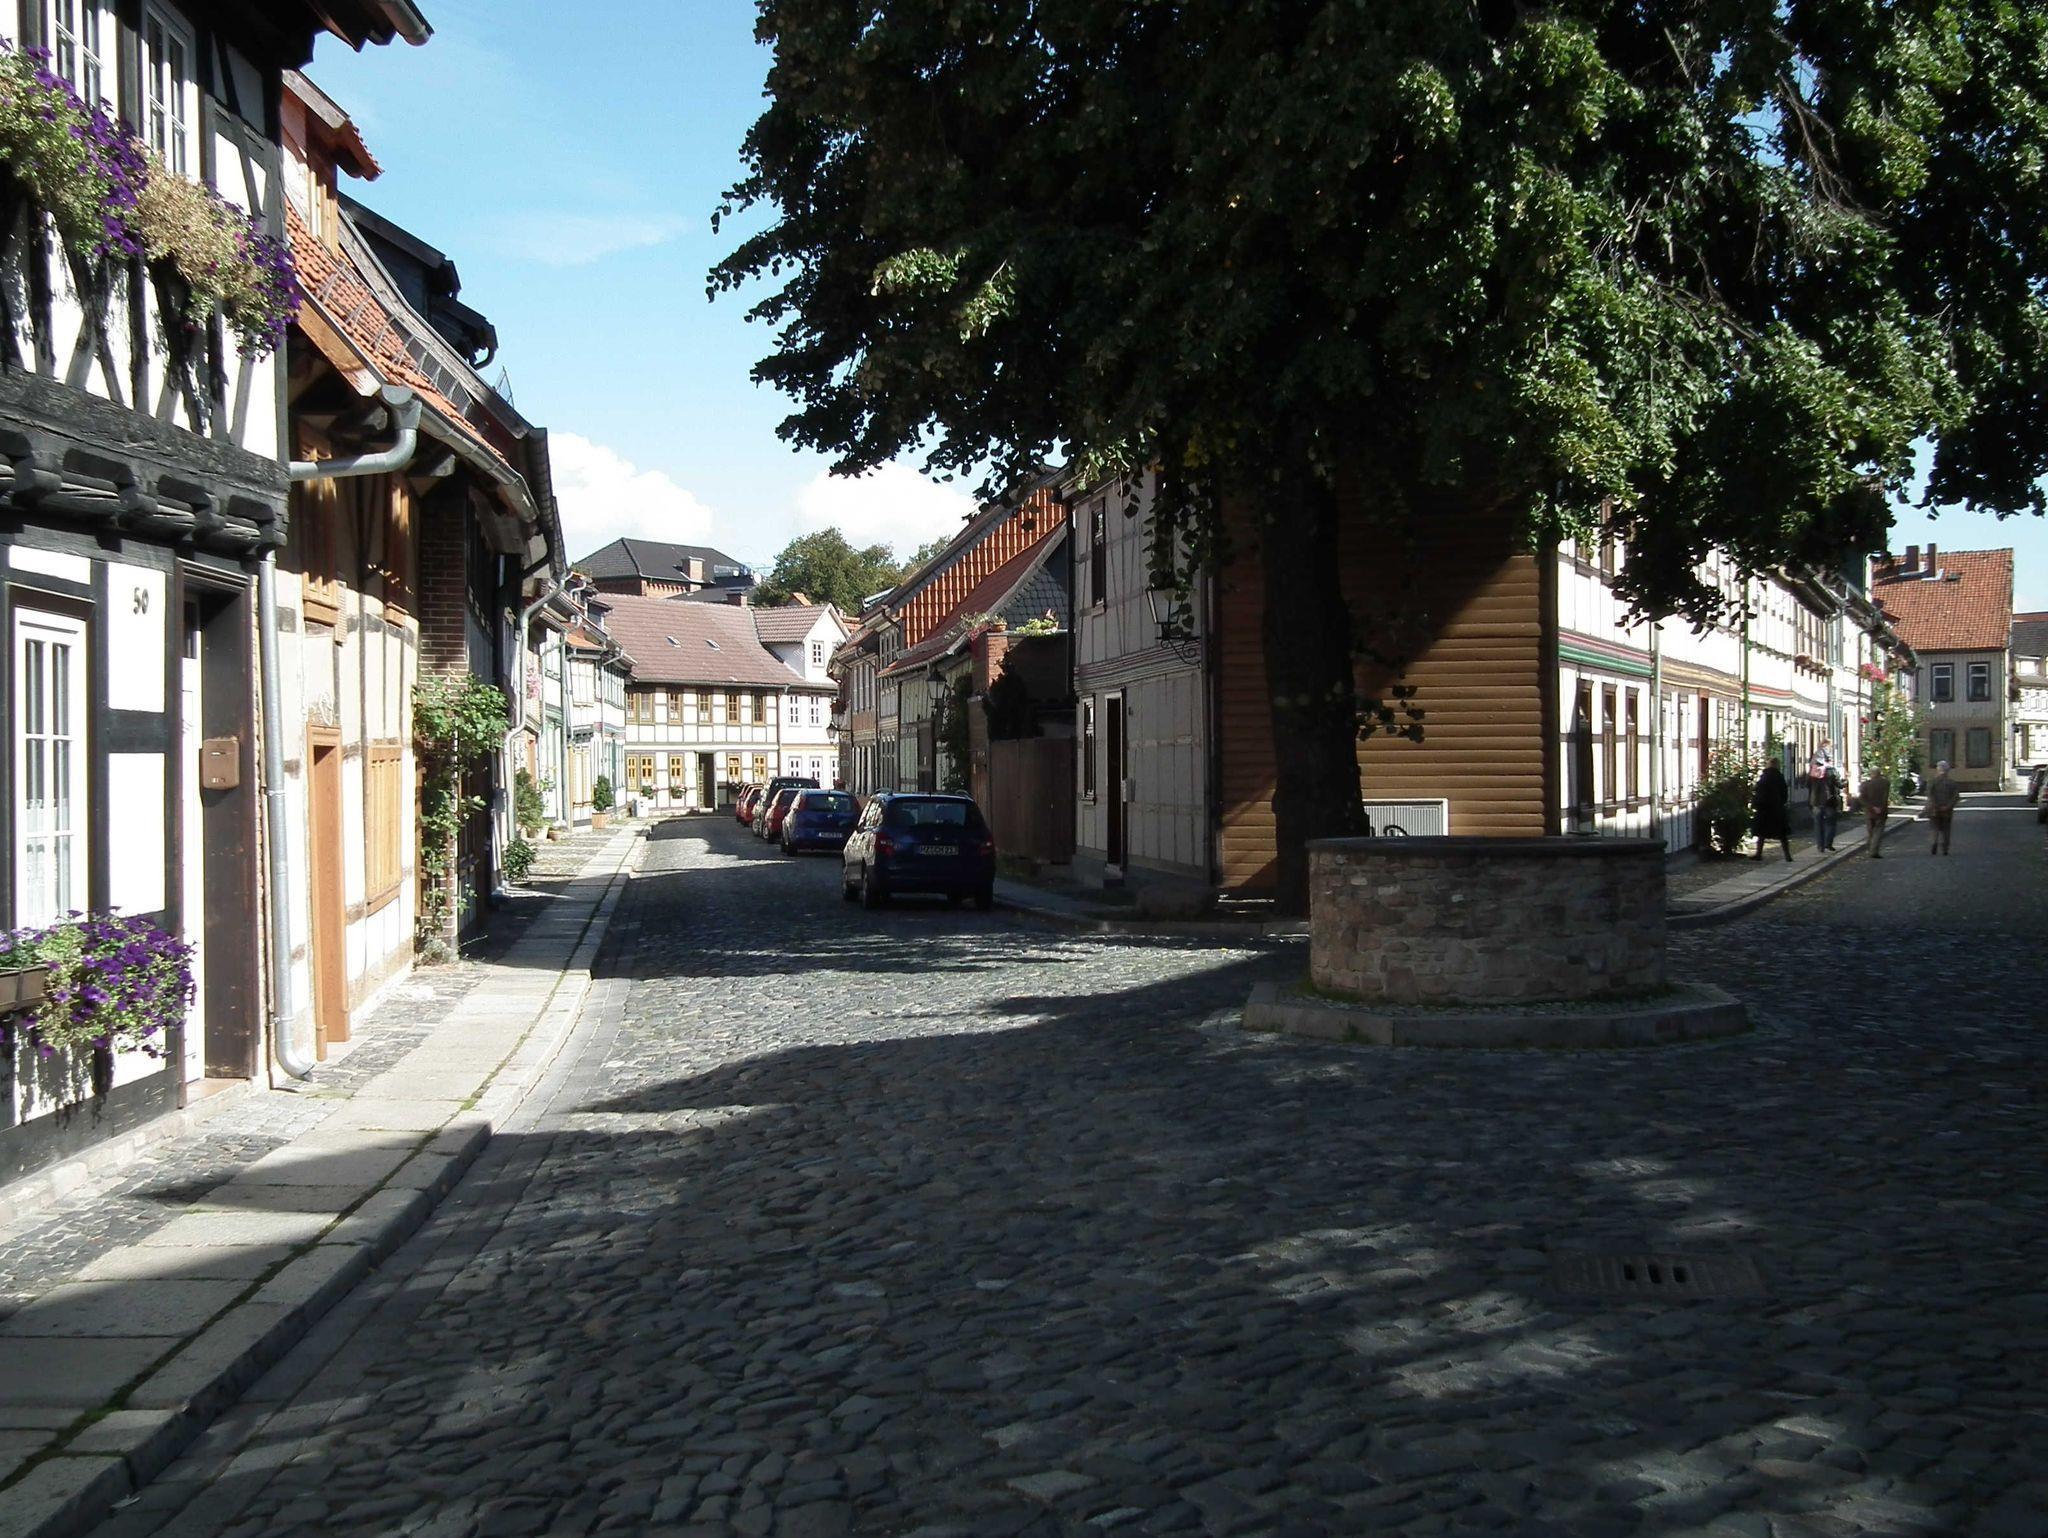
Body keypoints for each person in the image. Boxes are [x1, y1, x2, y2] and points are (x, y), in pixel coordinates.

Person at [1752, 758, 1793, 861]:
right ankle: (1787, 855)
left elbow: (1759, 792)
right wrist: (1781, 803)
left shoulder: (1764, 777)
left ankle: (1759, 853)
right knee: (1782, 834)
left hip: (1765, 809)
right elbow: (1784, 793)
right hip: (1777, 809)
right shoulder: (1780, 777)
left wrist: (1757, 804)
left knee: (1762, 833)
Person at [1807, 754, 1843, 852]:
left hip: (1816, 802)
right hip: (1829, 802)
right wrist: (1846, 781)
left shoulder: (1812, 772)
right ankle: (1828, 843)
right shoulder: (1831, 771)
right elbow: (1839, 785)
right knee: (1831, 823)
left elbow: (1807, 784)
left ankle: (1820, 846)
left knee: (1818, 824)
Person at [1926, 760, 1961, 855]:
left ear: (1938, 769)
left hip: (1934, 809)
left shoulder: (1932, 782)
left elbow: (1930, 795)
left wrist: (1935, 805)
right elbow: (1956, 797)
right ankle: (1945, 848)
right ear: (1948, 770)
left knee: (1934, 827)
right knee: (1946, 829)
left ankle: (1934, 842)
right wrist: (1948, 806)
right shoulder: (1952, 783)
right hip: (1947, 810)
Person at [1859, 764, 1891, 858]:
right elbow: (1885, 797)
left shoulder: (1865, 784)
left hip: (1870, 811)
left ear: (1871, 774)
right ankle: (1873, 851)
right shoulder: (1885, 783)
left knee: (1870, 831)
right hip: (1881, 811)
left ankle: (1870, 849)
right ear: (1879, 773)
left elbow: (1862, 798)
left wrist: (1871, 807)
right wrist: (1880, 807)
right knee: (1878, 831)